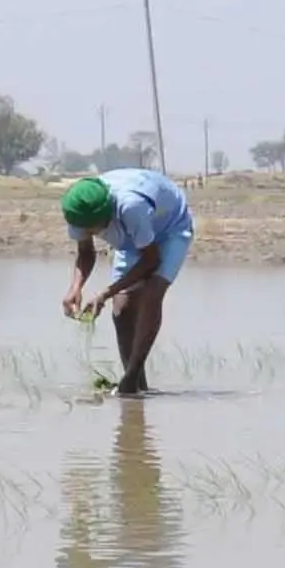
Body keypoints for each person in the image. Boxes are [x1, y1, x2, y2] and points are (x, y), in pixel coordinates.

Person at [61, 166, 194, 396]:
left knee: (152, 292)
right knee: (121, 309)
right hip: (134, 236)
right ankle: (135, 386)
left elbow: (151, 260)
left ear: (106, 218)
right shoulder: (79, 210)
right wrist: (75, 288)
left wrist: (105, 293)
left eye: (91, 230)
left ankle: (131, 377)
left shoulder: (131, 207)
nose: (87, 234)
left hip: (170, 226)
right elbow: (86, 253)